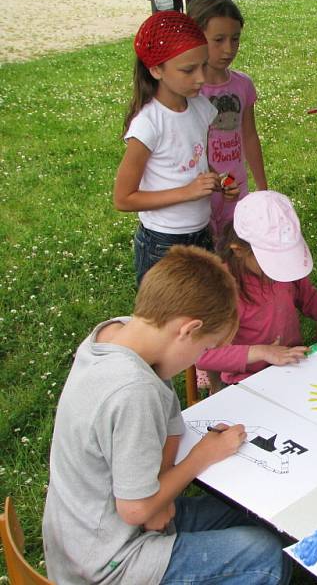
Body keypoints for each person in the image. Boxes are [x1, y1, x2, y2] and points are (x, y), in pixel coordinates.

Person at [42, 246, 290, 585]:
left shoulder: (123, 334)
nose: (199, 359)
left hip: (92, 530)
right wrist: (201, 457)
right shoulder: (132, 391)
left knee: (255, 513)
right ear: (188, 330)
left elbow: (171, 425)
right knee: (264, 554)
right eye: (204, 349)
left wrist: (162, 497)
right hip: (105, 562)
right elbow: (136, 509)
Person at [114, 11, 239, 286]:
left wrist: (218, 181)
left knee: (202, 312)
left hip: (201, 233)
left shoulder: (200, 107)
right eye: (188, 70)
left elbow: (196, 162)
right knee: (166, 322)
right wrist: (188, 192)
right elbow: (123, 198)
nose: (200, 78)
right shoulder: (149, 124)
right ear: (156, 69)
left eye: (203, 66)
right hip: (162, 242)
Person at [197, 191, 317, 386]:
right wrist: (262, 352)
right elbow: (203, 355)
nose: (280, 268)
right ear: (239, 251)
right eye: (272, 261)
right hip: (247, 382)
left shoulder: (284, 273)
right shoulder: (222, 290)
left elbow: (309, 298)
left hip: (292, 366)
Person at [188, 0, 268, 239]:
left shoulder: (243, 85)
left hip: (236, 186)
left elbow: (250, 136)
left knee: (234, 253)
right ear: (196, 38)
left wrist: (262, 189)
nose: (228, 49)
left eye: (235, 39)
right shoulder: (189, 90)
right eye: (218, 40)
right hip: (199, 192)